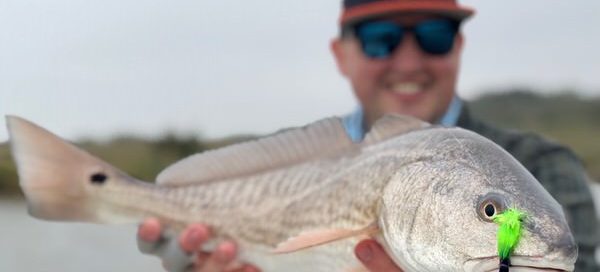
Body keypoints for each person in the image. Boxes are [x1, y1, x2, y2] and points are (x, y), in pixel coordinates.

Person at [137, 0, 600, 271]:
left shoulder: (545, 166)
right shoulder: (282, 160)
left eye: (435, 35)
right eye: (380, 38)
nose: (408, 60)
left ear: (459, 46)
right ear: (341, 54)